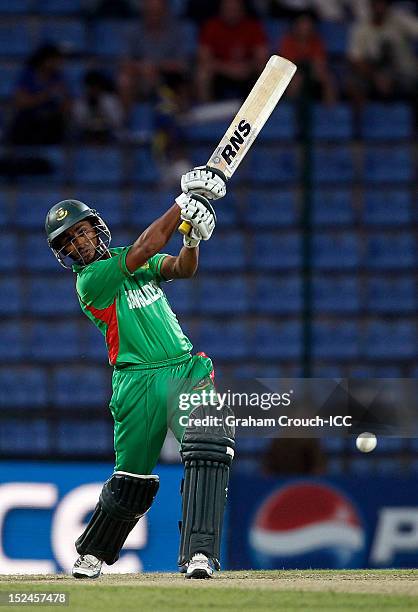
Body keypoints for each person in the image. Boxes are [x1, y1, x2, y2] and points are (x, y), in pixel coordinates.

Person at [44, 166, 234, 580]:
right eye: (69, 241)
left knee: (209, 445)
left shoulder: (124, 259)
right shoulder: (92, 280)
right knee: (133, 482)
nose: (79, 242)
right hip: (136, 382)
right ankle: (93, 553)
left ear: (96, 229)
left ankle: (200, 555)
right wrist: (182, 204)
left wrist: (192, 238)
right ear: (66, 254)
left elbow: (182, 269)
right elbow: (149, 244)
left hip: (185, 369)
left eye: (82, 232)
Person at [347, 0, 418, 103]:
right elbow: (355, 59)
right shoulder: (360, 27)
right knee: (353, 83)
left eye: (383, 3)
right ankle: (358, 119)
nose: (379, 8)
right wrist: (376, 76)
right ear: (371, 6)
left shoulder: (399, 19)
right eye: (376, 4)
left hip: (403, 72)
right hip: (373, 73)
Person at [197, 0, 268, 102]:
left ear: (242, 11)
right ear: (221, 10)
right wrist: (229, 68)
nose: (231, 13)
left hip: (247, 71)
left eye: (235, 10)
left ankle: (261, 105)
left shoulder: (253, 27)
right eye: (228, 10)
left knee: (264, 68)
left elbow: (262, 57)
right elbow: (204, 58)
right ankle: (206, 108)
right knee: (202, 72)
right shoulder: (211, 26)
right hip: (220, 72)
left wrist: (247, 67)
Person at [8, 44, 71, 145]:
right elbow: (20, 102)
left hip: (50, 122)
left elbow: (67, 104)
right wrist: (45, 96)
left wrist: (62, 103)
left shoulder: (58, 77)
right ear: (45, 60)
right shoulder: (28, 75)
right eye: (55, 60)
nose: (58, 64)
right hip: (29, 121)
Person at [278, 10, 337, 104]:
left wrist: (316, 70)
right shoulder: (288, 41)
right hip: (294, 72)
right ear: (296, 26)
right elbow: (288, 64)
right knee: (295, 79)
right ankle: (290, 109)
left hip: (311, 72)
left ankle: (330, 112)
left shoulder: (316, 41)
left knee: (328, 78)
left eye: (308, 23)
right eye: (303, 23)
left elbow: (320, 63)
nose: (306, 27)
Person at [72, 70, 125, 143]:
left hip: (107, 135)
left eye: (95, 87)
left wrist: (102, 106)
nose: (93, 90)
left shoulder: (110, 100)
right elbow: (77, 124)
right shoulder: (80, 102)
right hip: (86, 136)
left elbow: (118, 122)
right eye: (90, 87)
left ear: (100, 87)